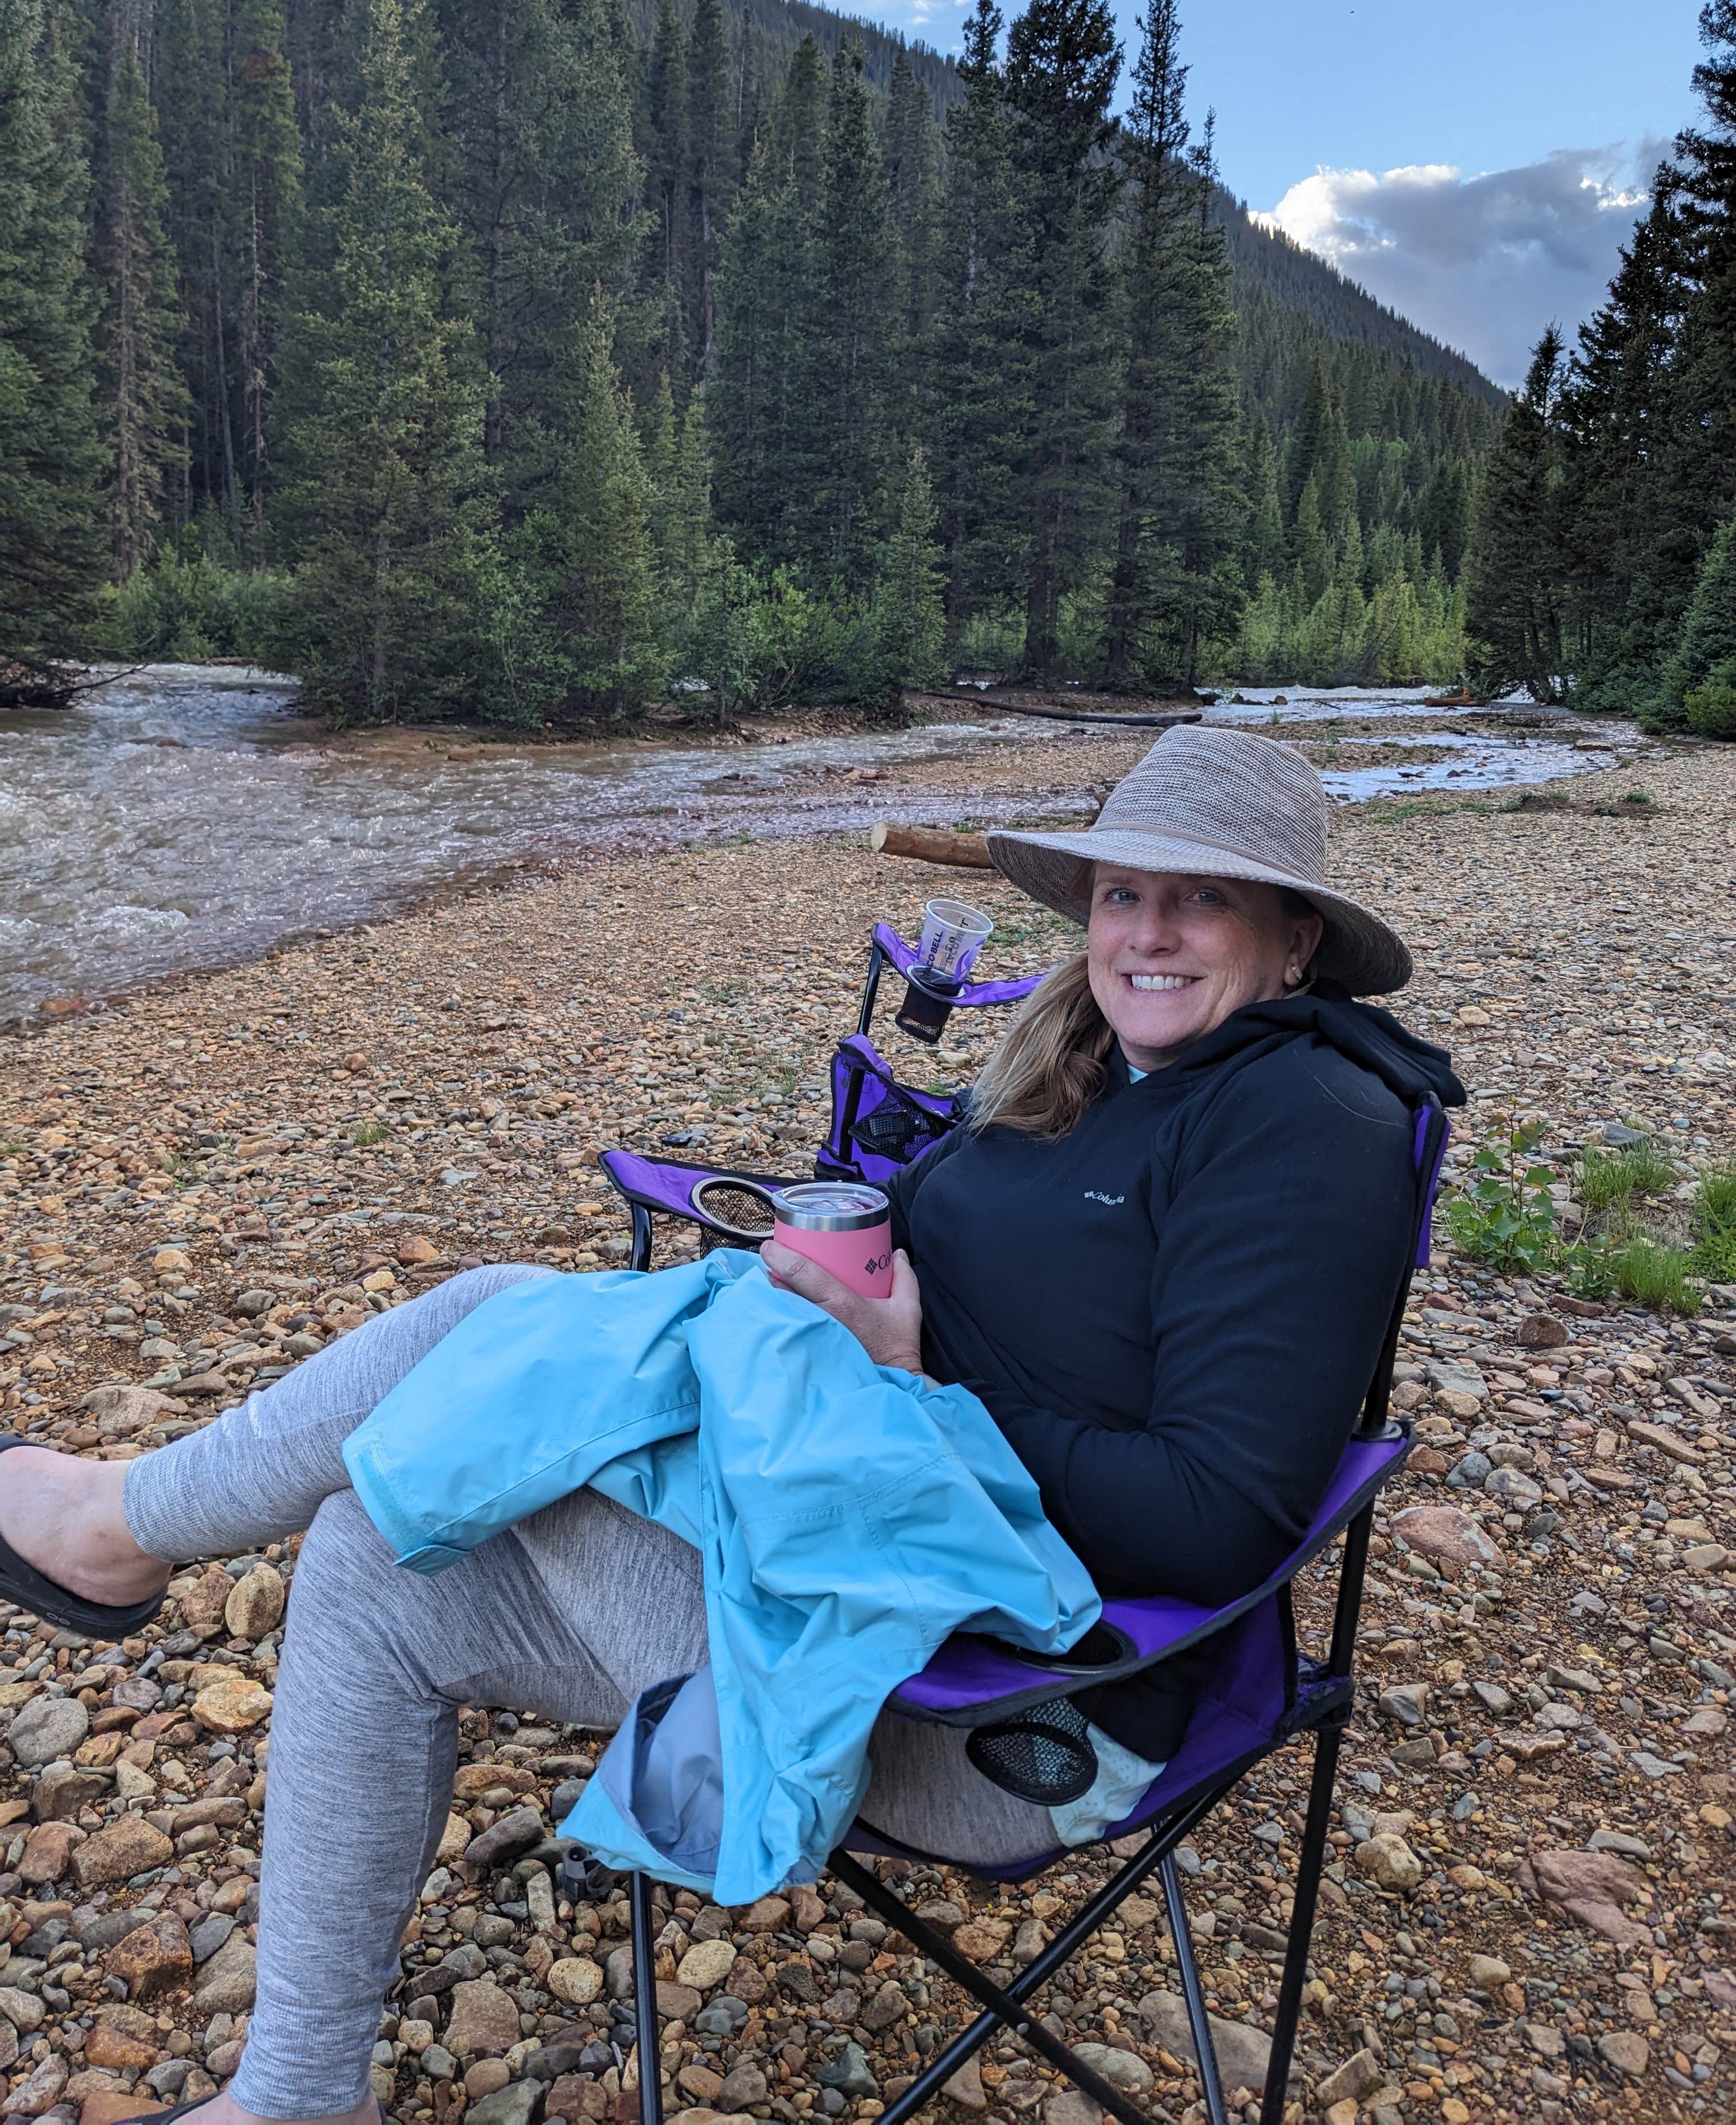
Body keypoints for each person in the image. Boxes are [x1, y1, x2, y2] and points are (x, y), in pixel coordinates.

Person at [0, 726, 1459, 2125]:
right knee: (368, 1555)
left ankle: (118, 1528)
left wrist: (917, 1379)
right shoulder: (1105, 1074)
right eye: (1123, 892)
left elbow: (1215, 1520)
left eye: (1202, 898)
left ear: (1296, 940)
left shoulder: (1299, 1128)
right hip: (870, 1568)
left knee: (500, 1337)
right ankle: (302, 2092)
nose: (1146, 930)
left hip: (1003, 1714)